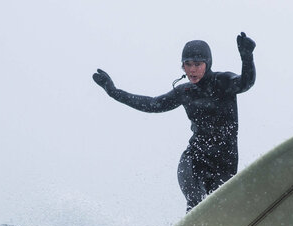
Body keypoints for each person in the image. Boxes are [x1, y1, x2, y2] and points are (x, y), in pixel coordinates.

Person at [93, 32, 256, 212]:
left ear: (207, 64)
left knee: (218, 209)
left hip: (224, 163)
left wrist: (247, 57)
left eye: (197, 64)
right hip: (195, 158)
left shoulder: (223, 82)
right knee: (195, 201)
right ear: (182, 66)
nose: (192, 70)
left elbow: (245, 83)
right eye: (188, 64)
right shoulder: (184, 91)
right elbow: (152, 104)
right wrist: (113, 91)